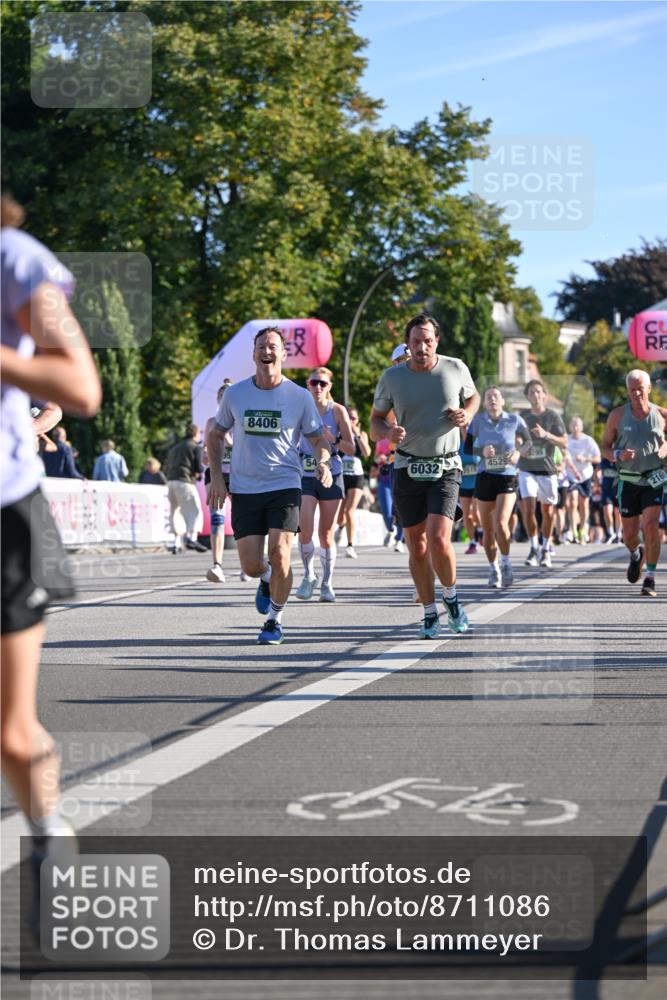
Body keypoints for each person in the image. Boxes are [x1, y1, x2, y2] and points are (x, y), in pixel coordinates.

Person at [1, 193, 101, 928]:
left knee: (10, 730)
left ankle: (47, 836)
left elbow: (80, 387)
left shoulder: (18, 262)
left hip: (4, 514)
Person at [206, 327, 333, 644]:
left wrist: (322, 461)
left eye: (273, 346)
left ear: (284, 354)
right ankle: (264, 578)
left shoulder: (299, 396)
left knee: (280, 553)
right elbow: (216, 433)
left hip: (285, 484)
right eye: (261, 346)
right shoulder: (236, 394)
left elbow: (318, 438)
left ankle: (275, 620)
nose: (266, 351)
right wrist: (219, 478)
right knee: (250, 565)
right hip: (246, 487)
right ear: (253, 354)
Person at [371, 313, 479, 639]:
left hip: (446, 466)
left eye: (428, 341)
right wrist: (389, 431)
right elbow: (375, 422)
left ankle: (452, 596)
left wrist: (467, 414)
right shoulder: (392, 377)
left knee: (438, 539)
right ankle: (430, 613)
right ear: (408, 343)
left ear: (437, 341)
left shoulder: (455, 368)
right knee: (416, 546)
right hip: (406, 466)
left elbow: (472, 397)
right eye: (416, 342)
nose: (422, 347)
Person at [601, 369, 667, 597]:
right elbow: (605, 448)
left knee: (651, 526)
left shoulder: (661, 415)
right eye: (632, 390)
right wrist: (618, 454)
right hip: (627, 481)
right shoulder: (617, 416)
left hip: (653, 479)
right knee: (629, 535)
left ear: (649, 388)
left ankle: (649, 577)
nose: (637, 393)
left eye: (641, 388)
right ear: (628, 391)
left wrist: (666, 446)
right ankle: (635, 553)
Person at [295, 368, 354, 602]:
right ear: (307, 385)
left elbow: (351, 448)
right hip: (306, 475)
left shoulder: (338, 411)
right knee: (305, 529)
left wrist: (334, 440)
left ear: (329, 386)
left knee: (326, 533)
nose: (318, 387)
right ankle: (309, 574)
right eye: (313, 383)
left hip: (332, 473)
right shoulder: (300, 409)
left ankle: (327, 583)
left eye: (322, 383)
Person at [466, 386, 529, 588]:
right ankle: (493, 568)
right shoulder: (478, 421)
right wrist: (481, 450)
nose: (492, 399)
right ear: (484, 403)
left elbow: (528, 443)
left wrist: (518, 453)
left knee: (501, 523)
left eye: (496, 396)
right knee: (487, 529)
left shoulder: (514, 420)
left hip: (507, 476)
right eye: (488, 397)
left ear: (502, 400)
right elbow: (468, 447)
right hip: (485, 476)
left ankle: (506, 562)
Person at [517, 379, 568, 569]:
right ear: (527, 396)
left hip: (547, 469)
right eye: (532, 392)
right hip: (527, 468)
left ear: (544, 395)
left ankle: (546, 547)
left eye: (539, 392)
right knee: (528, 507)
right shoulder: (522, 416)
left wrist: (546, 435)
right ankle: (533, 546)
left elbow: (564, 442)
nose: (535, 395)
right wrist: (519, 441)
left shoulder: (553, 417)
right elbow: (515, 438)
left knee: (548, 510)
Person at [203, 381, 233, 583]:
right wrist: (205, 454)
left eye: (228, 395)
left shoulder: (240, 422)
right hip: (215, 474)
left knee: (242, 519)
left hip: (238, 474)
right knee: (217, 519)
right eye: (222, 395)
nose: (224, 399)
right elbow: (206, 448)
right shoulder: (211, 422)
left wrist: (230, 443)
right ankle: (217, 565)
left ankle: (247, 565)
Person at [334, 405, 371, 559]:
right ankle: (341, 526)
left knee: (350, 511)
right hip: (341, 476)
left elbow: (367, 453)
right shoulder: (338, 434)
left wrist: (357, 436)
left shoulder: (361, 433)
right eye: (348, 417)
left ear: (357, 421)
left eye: (353, 418)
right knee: (340, 515)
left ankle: (350, 545)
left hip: (357, 477)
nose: (350, 420)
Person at [165, 424, 206, 553]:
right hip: (185, 481)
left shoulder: (175, 447)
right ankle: (192, 538)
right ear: (196, 434)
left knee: (175, 512)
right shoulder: (195, 447)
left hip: (171, 481)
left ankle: (176, 543)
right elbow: (199, 468)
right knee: (194, 509)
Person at [563, 417, 601, 544]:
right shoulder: (566, 440)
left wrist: (585, 459)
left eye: (577, 425)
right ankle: (573, 530)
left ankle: (583, 530)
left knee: (584, 504)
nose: (575, 428)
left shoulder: (588, 440)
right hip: (571, 476)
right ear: (569, 427)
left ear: (581, 427)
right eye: (573, 425)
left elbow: (598, 458)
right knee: (572, 502)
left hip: (585, 475)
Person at [458, 438, 481, 554]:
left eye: (467, 427)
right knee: (467, 515)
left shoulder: (478, 441)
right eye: (463, 427)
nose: (465, 429)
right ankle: (473, 542)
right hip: (463, 484)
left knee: (475, 512)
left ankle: (481, 531)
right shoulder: (458, 443)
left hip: (478, 483)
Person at [599, 456, 622, 543]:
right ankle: (610, 533)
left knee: (618, 514)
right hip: (607, 491)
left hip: (617, 490)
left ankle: (618, 534)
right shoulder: (605, 460)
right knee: (607, 512)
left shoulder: (620, 461)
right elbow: (597, 471)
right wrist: (597, 484)